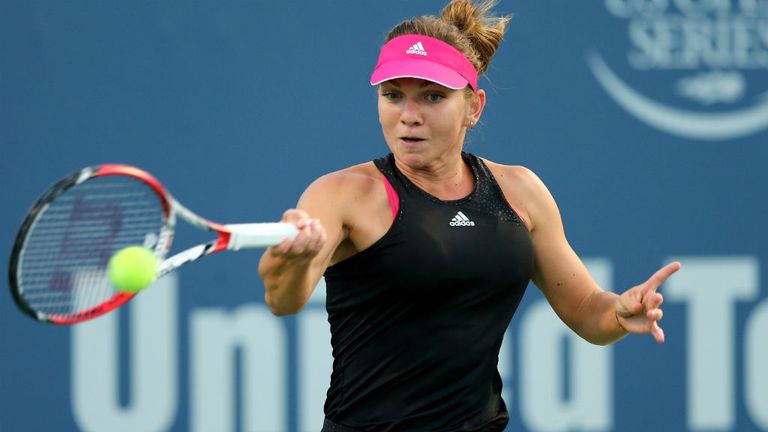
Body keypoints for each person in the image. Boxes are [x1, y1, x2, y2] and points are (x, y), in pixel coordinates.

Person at [258, 0, 681, 430]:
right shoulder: (341, 194)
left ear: (473, 107)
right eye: (392, 95)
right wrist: (289, 260)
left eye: (433, 97)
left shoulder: (519, 192)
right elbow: (283, 299)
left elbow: (588, 310)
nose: (409, 115)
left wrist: (619, 314)